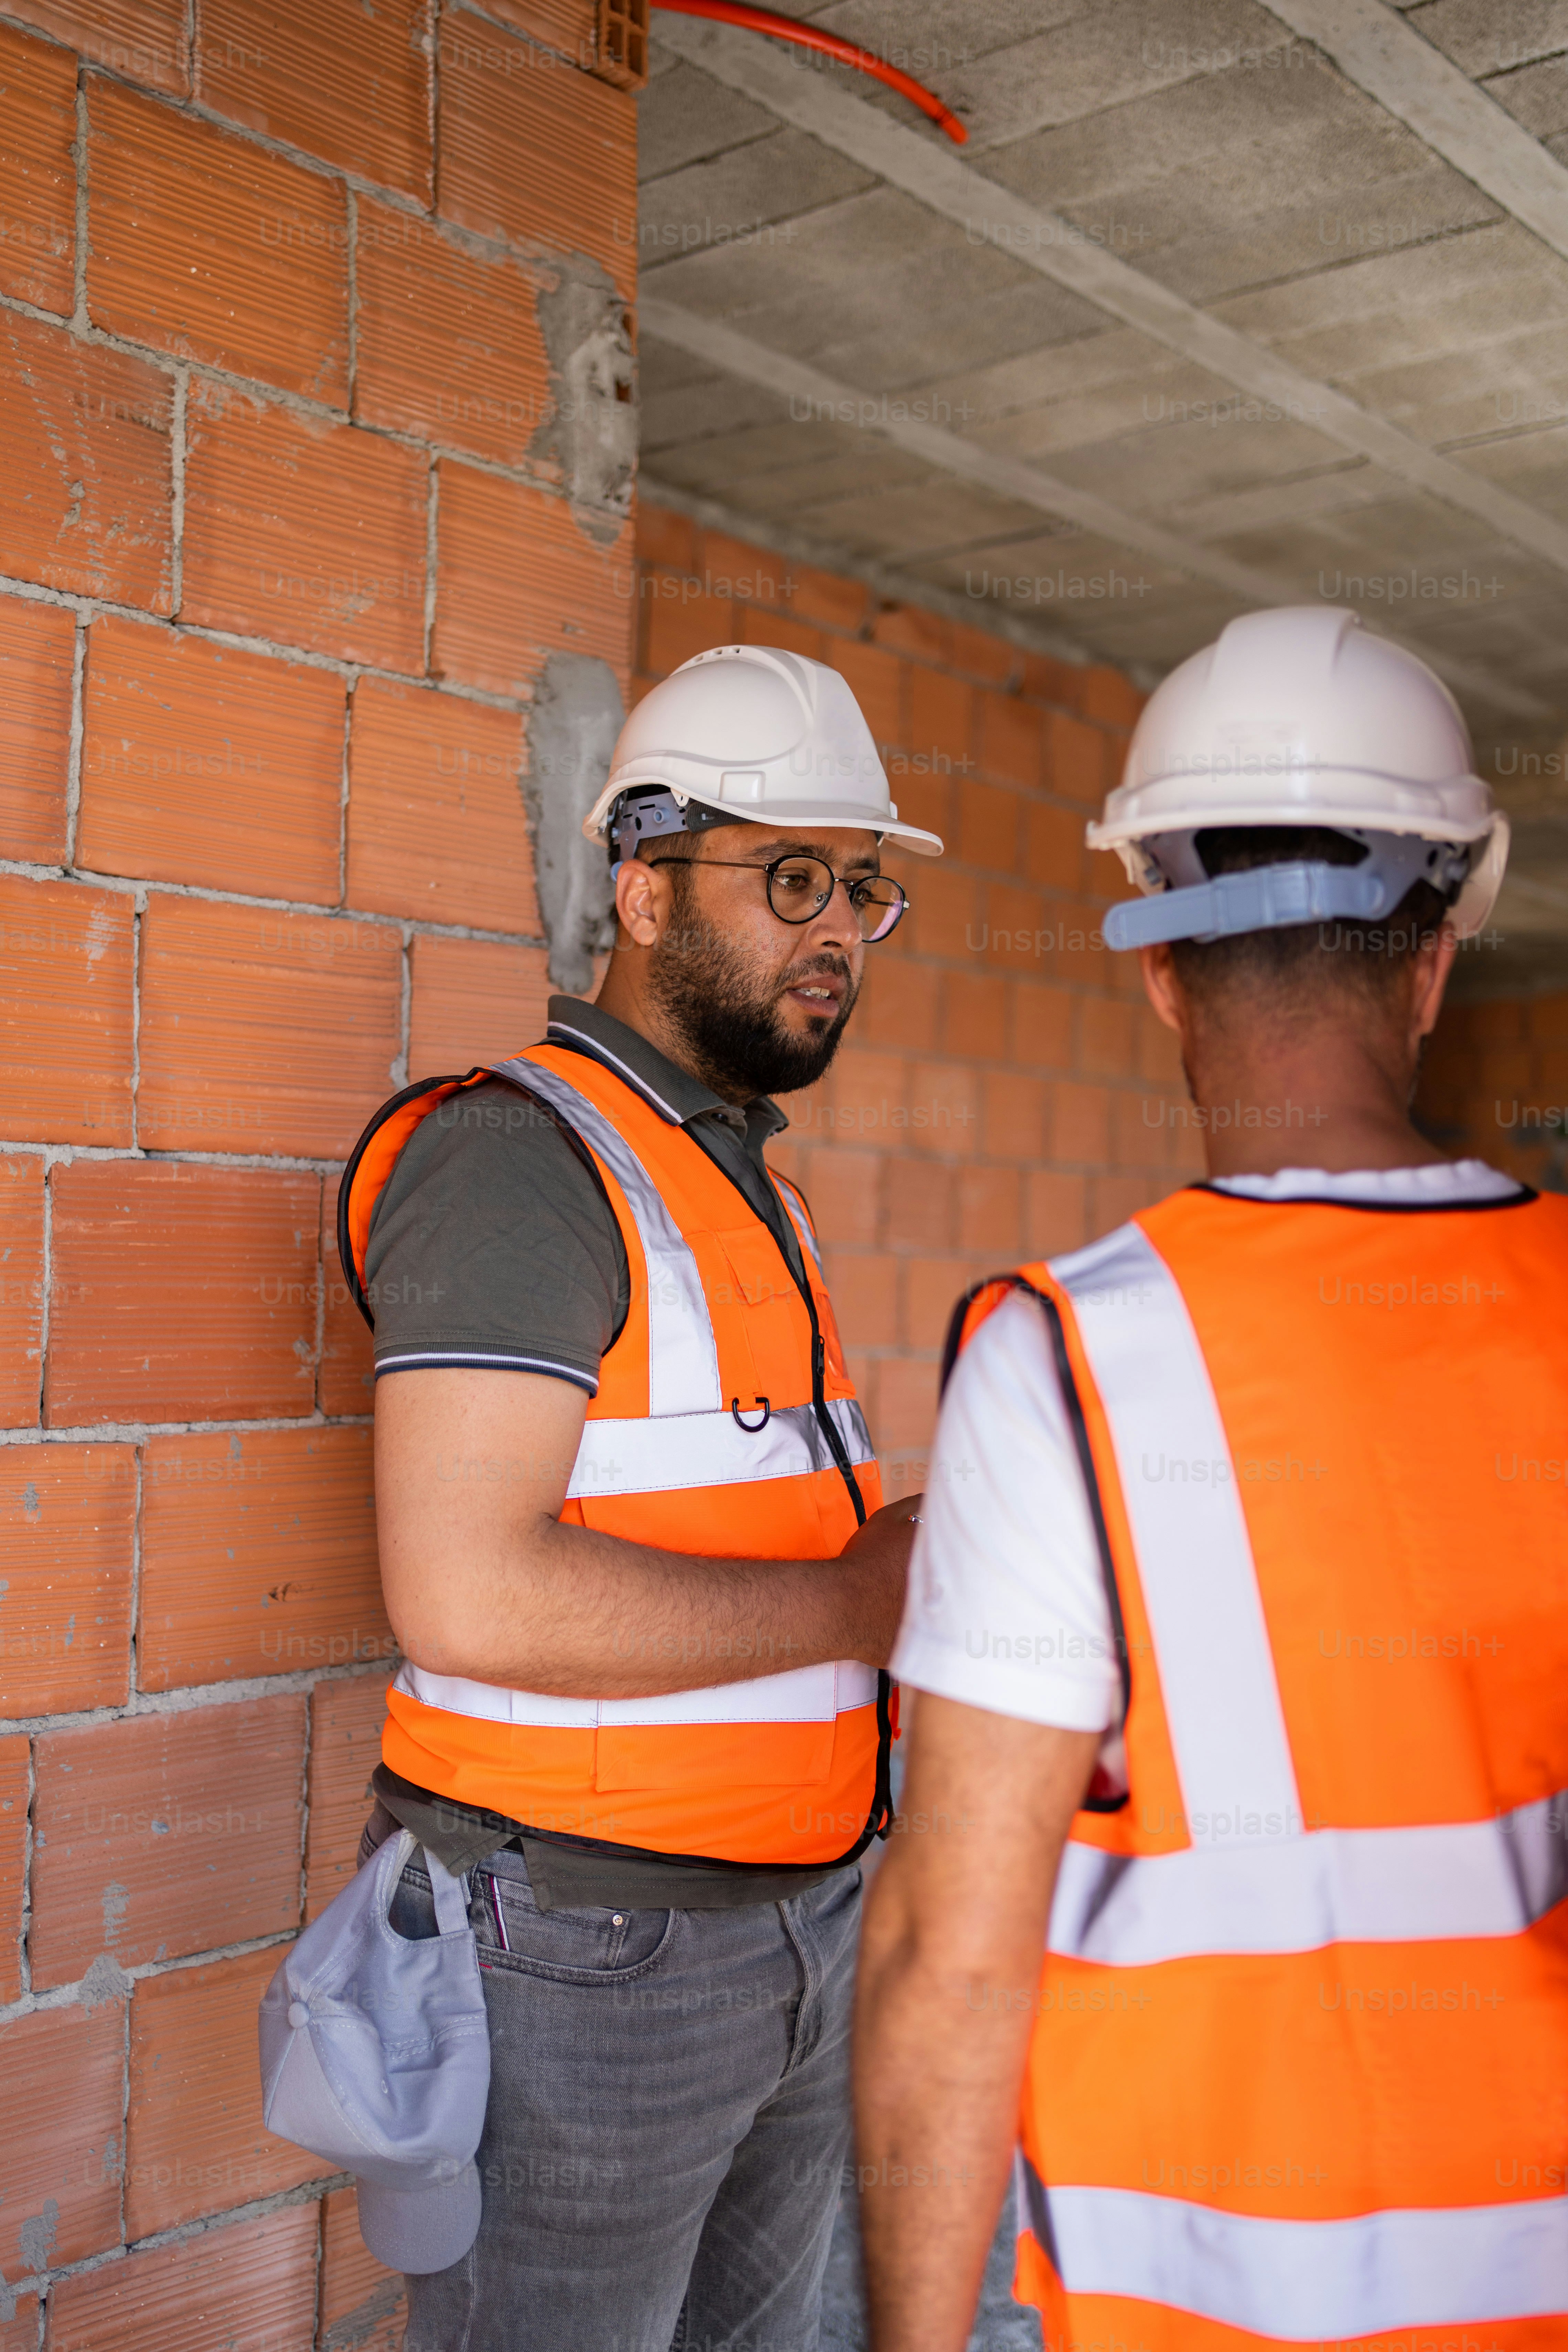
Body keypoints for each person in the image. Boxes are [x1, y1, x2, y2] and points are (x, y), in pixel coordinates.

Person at [852, 606, 1568, 2350]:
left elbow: (950, 1960)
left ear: (1161, 964)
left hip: (1197, 2306)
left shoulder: (1066, 1361)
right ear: (1435, 958)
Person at [338, 644, 937, 2351]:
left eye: (865, 891)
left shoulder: (741, 1175)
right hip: (586, 1950)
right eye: (795, 877)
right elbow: (466, 1592)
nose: (839, 930)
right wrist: (857, 1601)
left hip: (793, 1921)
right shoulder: (525, 1160)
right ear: (646, 889)